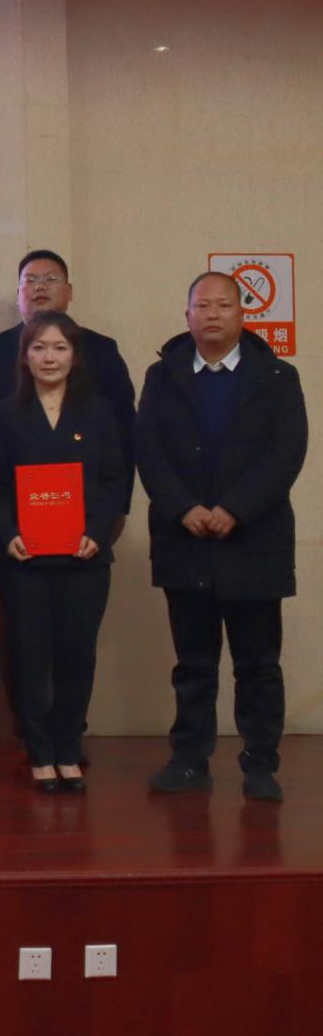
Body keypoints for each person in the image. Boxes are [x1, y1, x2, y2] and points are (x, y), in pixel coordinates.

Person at [137, 272, 308, 802]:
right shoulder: (162, 375)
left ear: (242, 314)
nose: (212, 314)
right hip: (185, 540)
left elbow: (287, 452)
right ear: (187, 314)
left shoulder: (277, 376)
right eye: (202, 305)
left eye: (224, 305)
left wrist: (236, 508)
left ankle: (260, 763)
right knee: (193, 665)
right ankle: (190, 760)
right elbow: (148, 450)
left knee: (258, 664)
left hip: (254, 542)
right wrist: (183, 508)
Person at [0, 312, 131, 793]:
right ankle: (40, 750)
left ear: (75, 357)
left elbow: (114, 478)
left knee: (76, 655)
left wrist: (98, 532)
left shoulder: (99, 411)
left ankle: (69, 748)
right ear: (25, 357)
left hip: (84, 557)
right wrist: (7, 533)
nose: (49, 358)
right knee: (29, 656)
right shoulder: (7, 412)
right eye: (39, 348)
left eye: (59, 348)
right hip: (25, 559)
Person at [0, 250, 138, 459]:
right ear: (18, 294)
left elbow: (123, 429)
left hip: (87, 475)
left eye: (51, 279)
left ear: (69, 292)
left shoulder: (101, 349)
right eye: (30, 280)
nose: (40, 287)